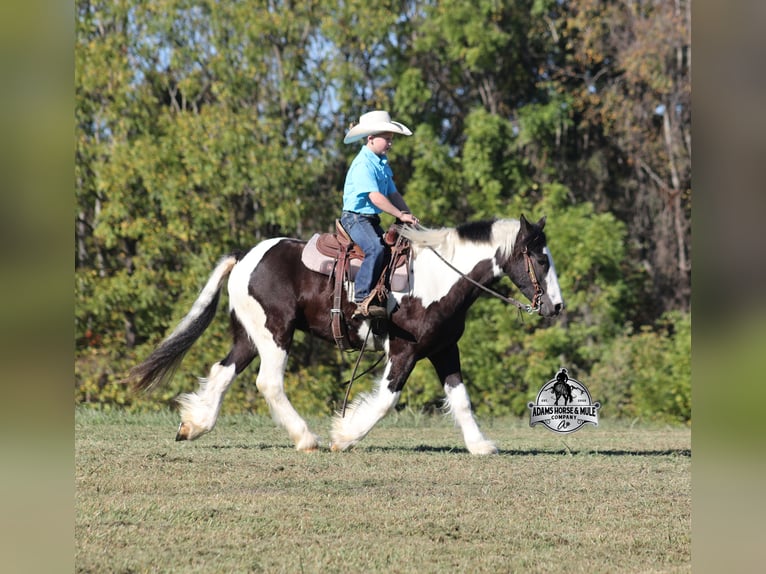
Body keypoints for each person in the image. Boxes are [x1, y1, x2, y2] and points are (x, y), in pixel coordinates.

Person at [340, 110, 420, 318]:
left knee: (390, 250)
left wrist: (408, 215)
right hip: (355, 218)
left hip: (369, 219)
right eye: (387, 139)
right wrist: (400, 216)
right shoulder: (363, 164)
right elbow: (375, 197)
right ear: (371, 139)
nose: (390, 143)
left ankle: (380, 294)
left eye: (391, 139)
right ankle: (361, 298)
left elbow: (392, 193)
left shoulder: (381, 163)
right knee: (375, 248)